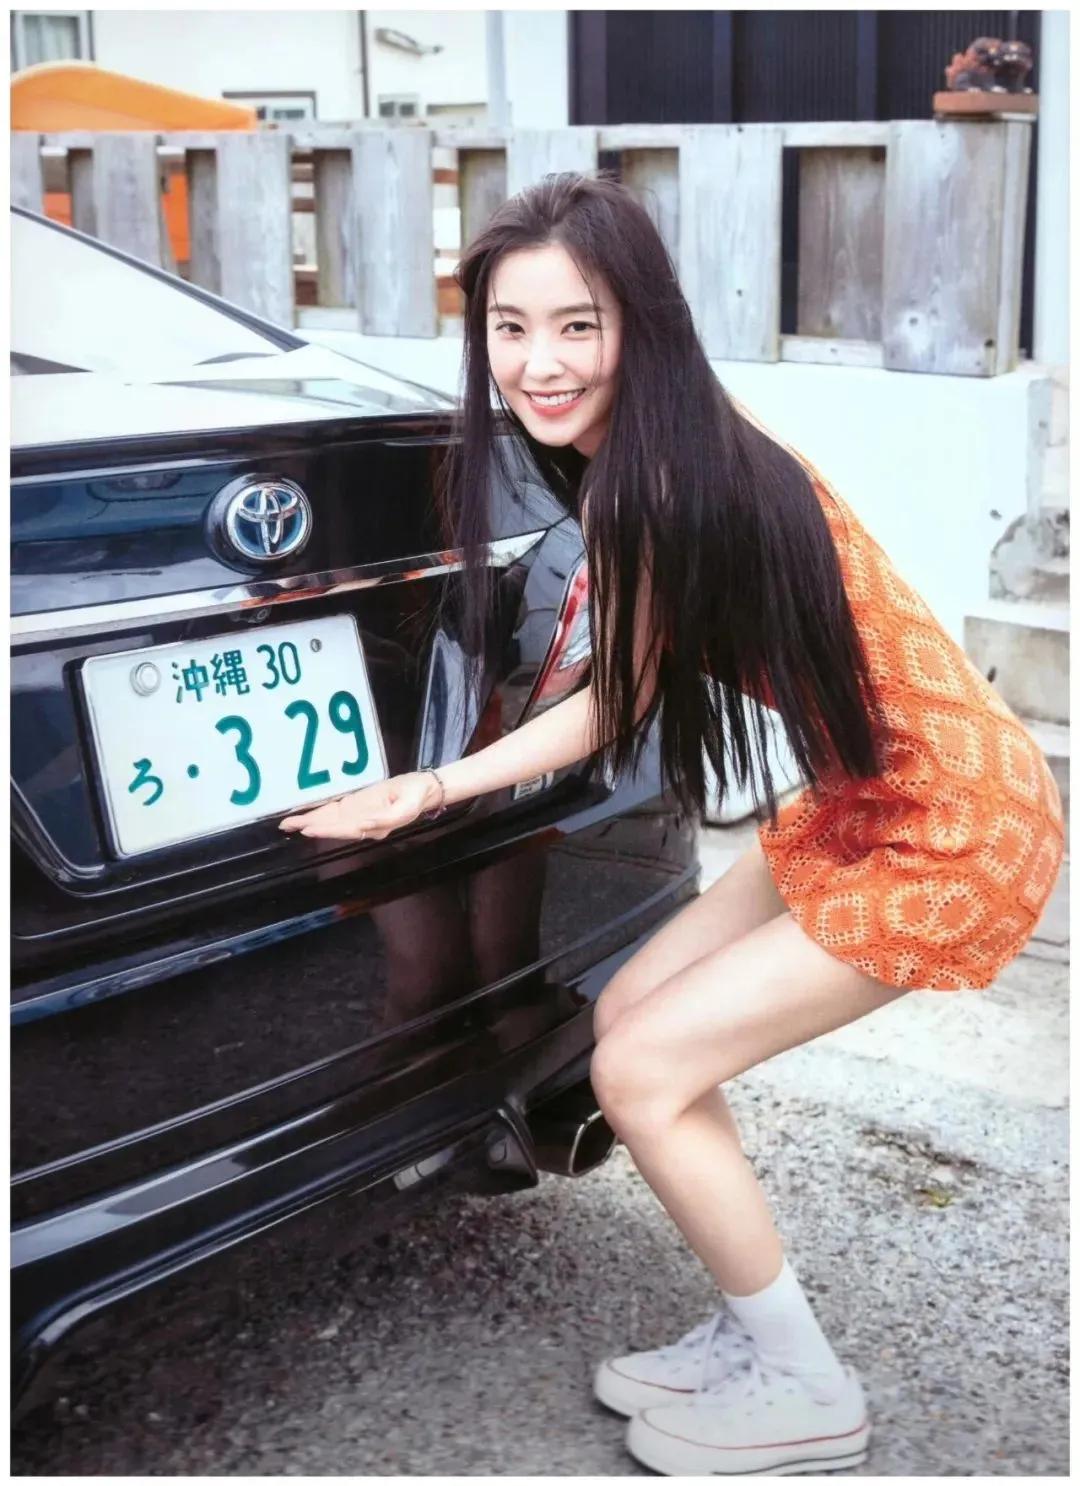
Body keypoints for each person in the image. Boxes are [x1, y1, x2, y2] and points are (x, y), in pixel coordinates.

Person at [280, 173, 1064, 1476]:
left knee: (642, 1070)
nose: (539, 363)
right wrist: (442, 780)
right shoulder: (662, 453)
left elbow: (609, 705)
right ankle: (756, 1323)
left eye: (577, 325)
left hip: (952, 821)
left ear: (639, 323)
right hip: (871, 791)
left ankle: (807, 1388)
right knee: (635, 1014)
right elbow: (625, 690)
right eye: (510, 327)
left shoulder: (656, 483)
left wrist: (430, 787)